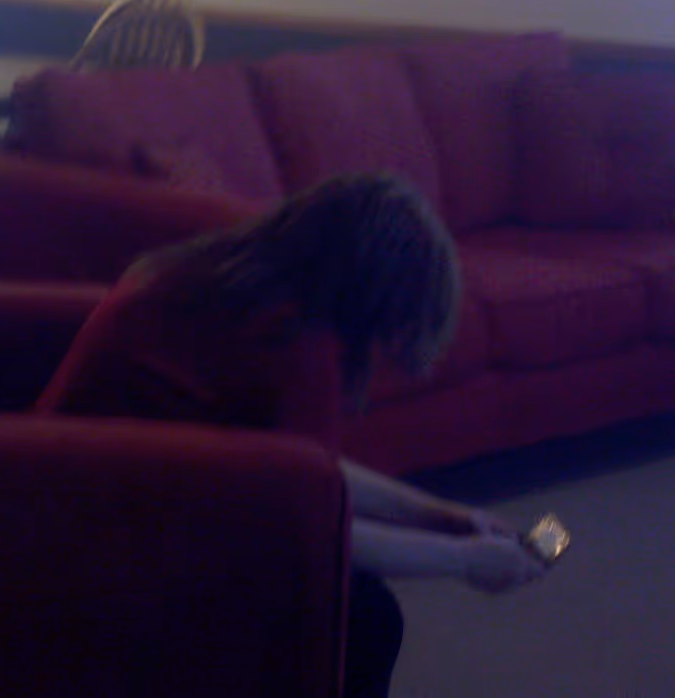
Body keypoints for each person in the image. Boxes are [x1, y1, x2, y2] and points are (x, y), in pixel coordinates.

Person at [34, 171, 547, 698]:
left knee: (355, 610)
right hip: (101, 544)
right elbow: (313, 527)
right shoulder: (296, 342)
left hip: (59, 498)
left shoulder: (225, 279)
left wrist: (444, 517)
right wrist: (463, 560)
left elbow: (303, 471)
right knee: (365, 619)